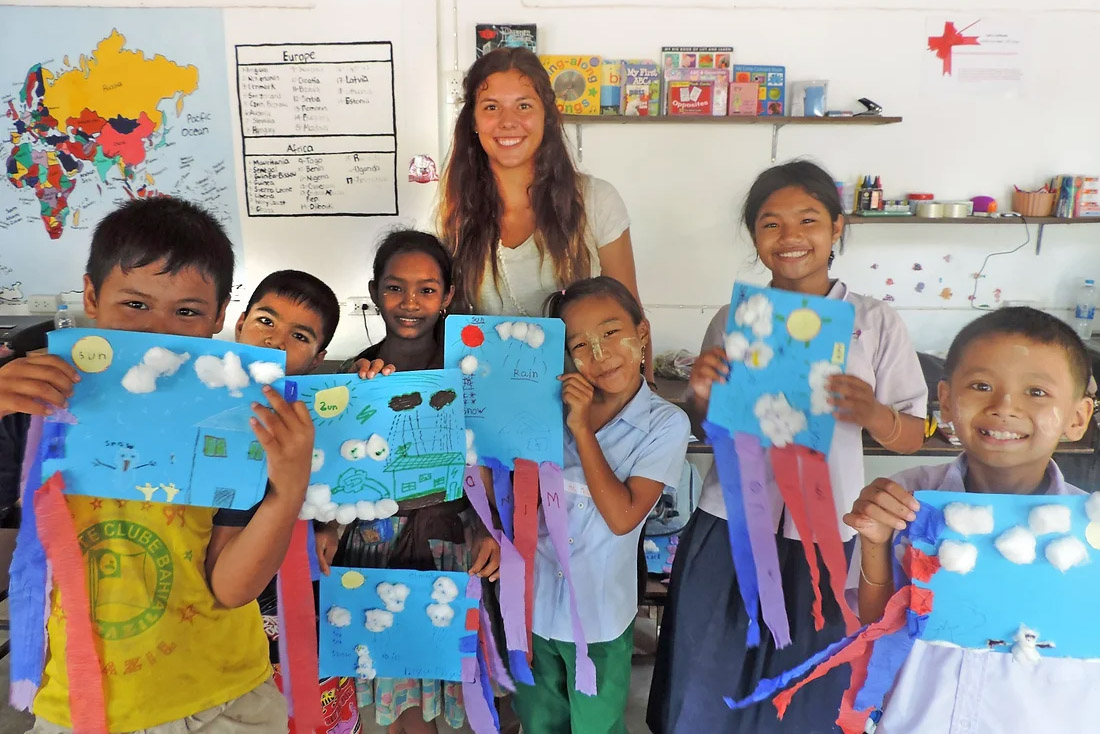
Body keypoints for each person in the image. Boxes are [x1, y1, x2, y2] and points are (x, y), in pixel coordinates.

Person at [0, 197, 312, 733]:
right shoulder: (35, 400)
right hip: (82, 706)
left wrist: (287, 491)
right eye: (136, 304)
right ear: (93, 297)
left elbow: (232, 588)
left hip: (226, 700)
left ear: (218, 318)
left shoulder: (238, 418)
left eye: (187, 312)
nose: (158, 332)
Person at [648, 160, 928, 734]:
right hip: (730, 520)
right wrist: (701, 396)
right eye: (771, 224)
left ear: (837, 228)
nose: (791, 236)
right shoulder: (736, 319)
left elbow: (912, 432)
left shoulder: (873, 322)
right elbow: (709, 432)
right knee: (710, 665)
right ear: (755, 236)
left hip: (824, 528)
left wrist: (872, 411)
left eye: (808, 220)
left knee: (803, 677)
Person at [843, 307, 1096, 733]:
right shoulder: (907, 498)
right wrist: (875, 543)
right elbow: (875, 624)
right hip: (920, 719)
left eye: (1036, 392)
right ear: (946, 401)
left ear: (1077, 417)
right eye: (981, 386)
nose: (1004, 407)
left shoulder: (1090, 531)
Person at [338, 229, 501, 734]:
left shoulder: (471, 373)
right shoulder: (353, 376)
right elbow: (335, 474)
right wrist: (327, 529)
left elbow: (489, 461)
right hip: (372, 548)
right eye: (395, 288)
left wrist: (486, 527)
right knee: (395, 697)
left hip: (447, 544)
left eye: (427, 289)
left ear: (447, 296)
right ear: (374, 291)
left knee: (439, 687)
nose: (410, 303)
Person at [510, 277, 689, 734]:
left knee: (596, 726)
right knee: (539, 720)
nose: (600, 353)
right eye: (580, 344)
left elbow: (623, 516)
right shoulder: (544, 410)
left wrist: (583, 430)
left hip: (598, 618)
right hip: (532, 608)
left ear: (642, 334)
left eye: (611, 333)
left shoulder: (664, 423)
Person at [438, 48, 655, 382]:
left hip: (592, 410)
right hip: (491, 404)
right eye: (491, 107)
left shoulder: (596, 200)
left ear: (547, 116)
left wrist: (648, 393)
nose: (508, 122)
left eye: (524, 105)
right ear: (474, 121)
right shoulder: (454, 213)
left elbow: (632, 316)